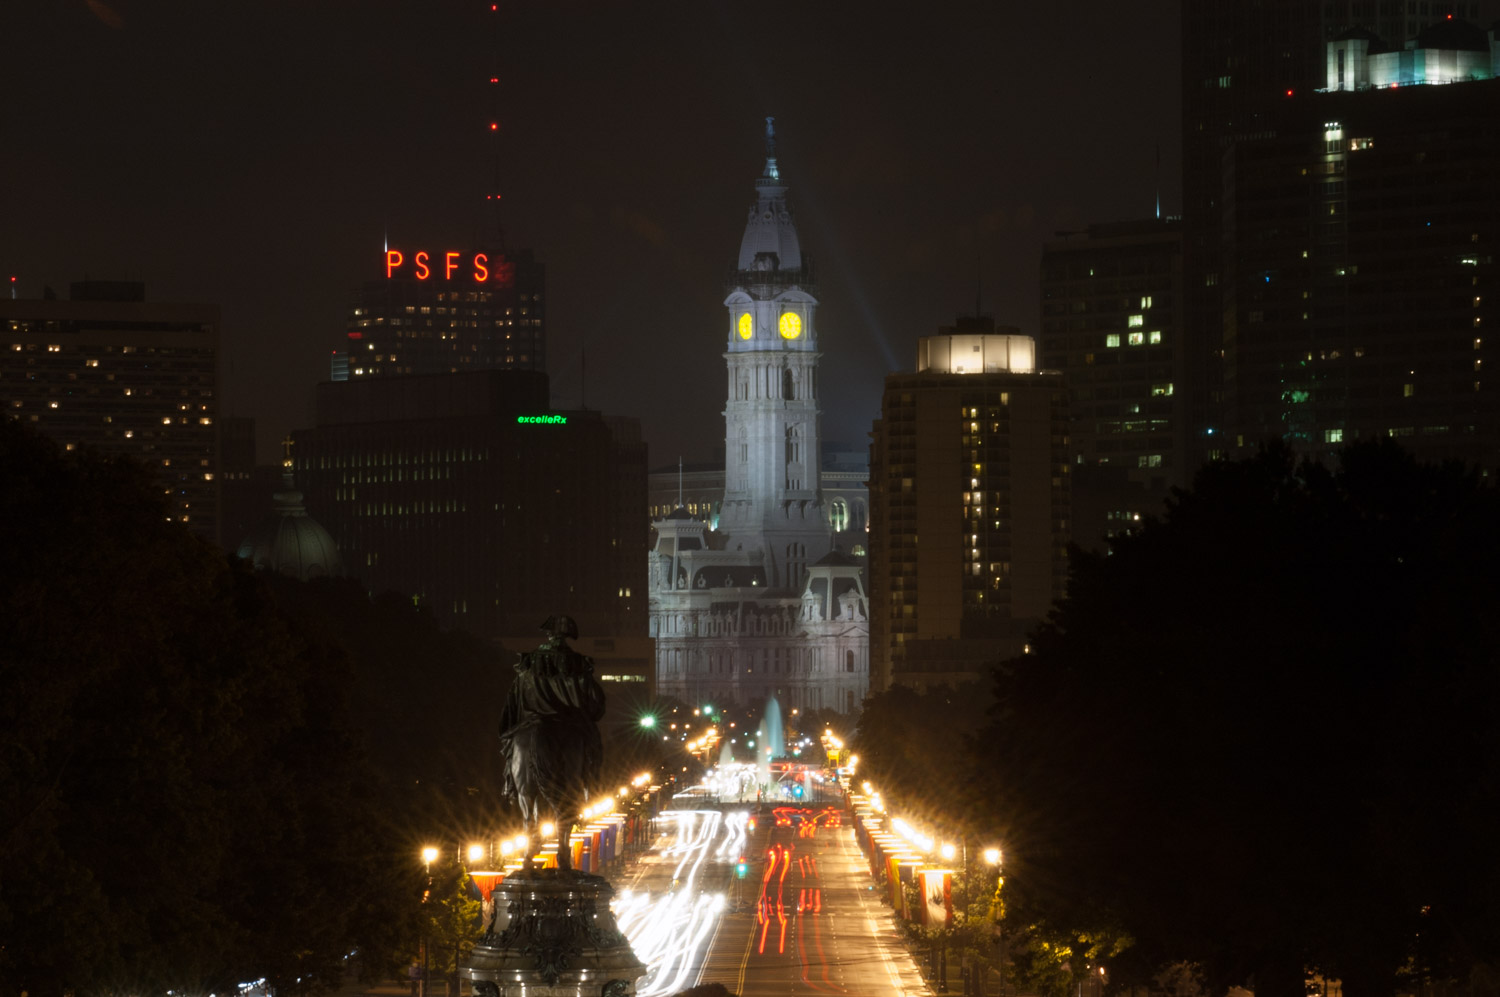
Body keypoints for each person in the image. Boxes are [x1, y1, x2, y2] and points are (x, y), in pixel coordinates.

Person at [497, 616, 606, 870]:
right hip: (569, 724)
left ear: (548, 635)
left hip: (532, 722)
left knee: (513, 745)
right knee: (592, 749)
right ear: (568, 636)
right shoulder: (578, 664)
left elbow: (514, 700)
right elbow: (595, 701)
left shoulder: (529, 662)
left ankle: (527, 847)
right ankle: (590, 788)